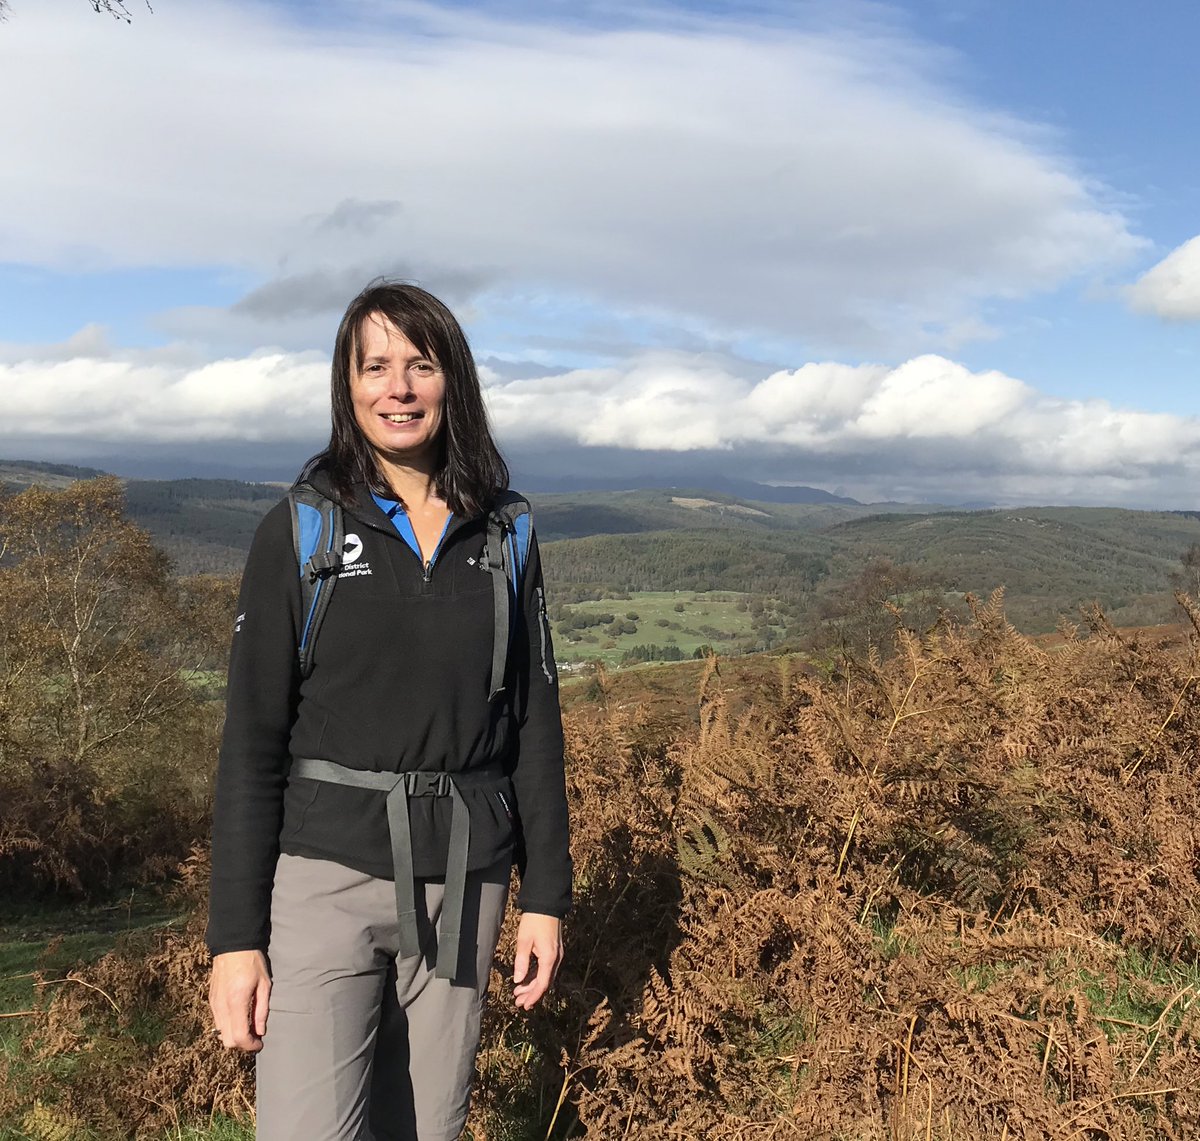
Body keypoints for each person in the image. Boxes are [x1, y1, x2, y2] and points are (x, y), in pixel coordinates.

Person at [206, 281, 572, 1141]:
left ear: (454, 382)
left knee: (425, 1130)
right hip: (323, 875)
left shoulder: (506, 533)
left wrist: (546, 893)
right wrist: (234, 940)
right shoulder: (301, 531)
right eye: (374, 367)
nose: (397, 388)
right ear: (348, 385)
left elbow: (534, 723)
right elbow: (251, 747)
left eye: (420, 364)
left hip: (465, 879)